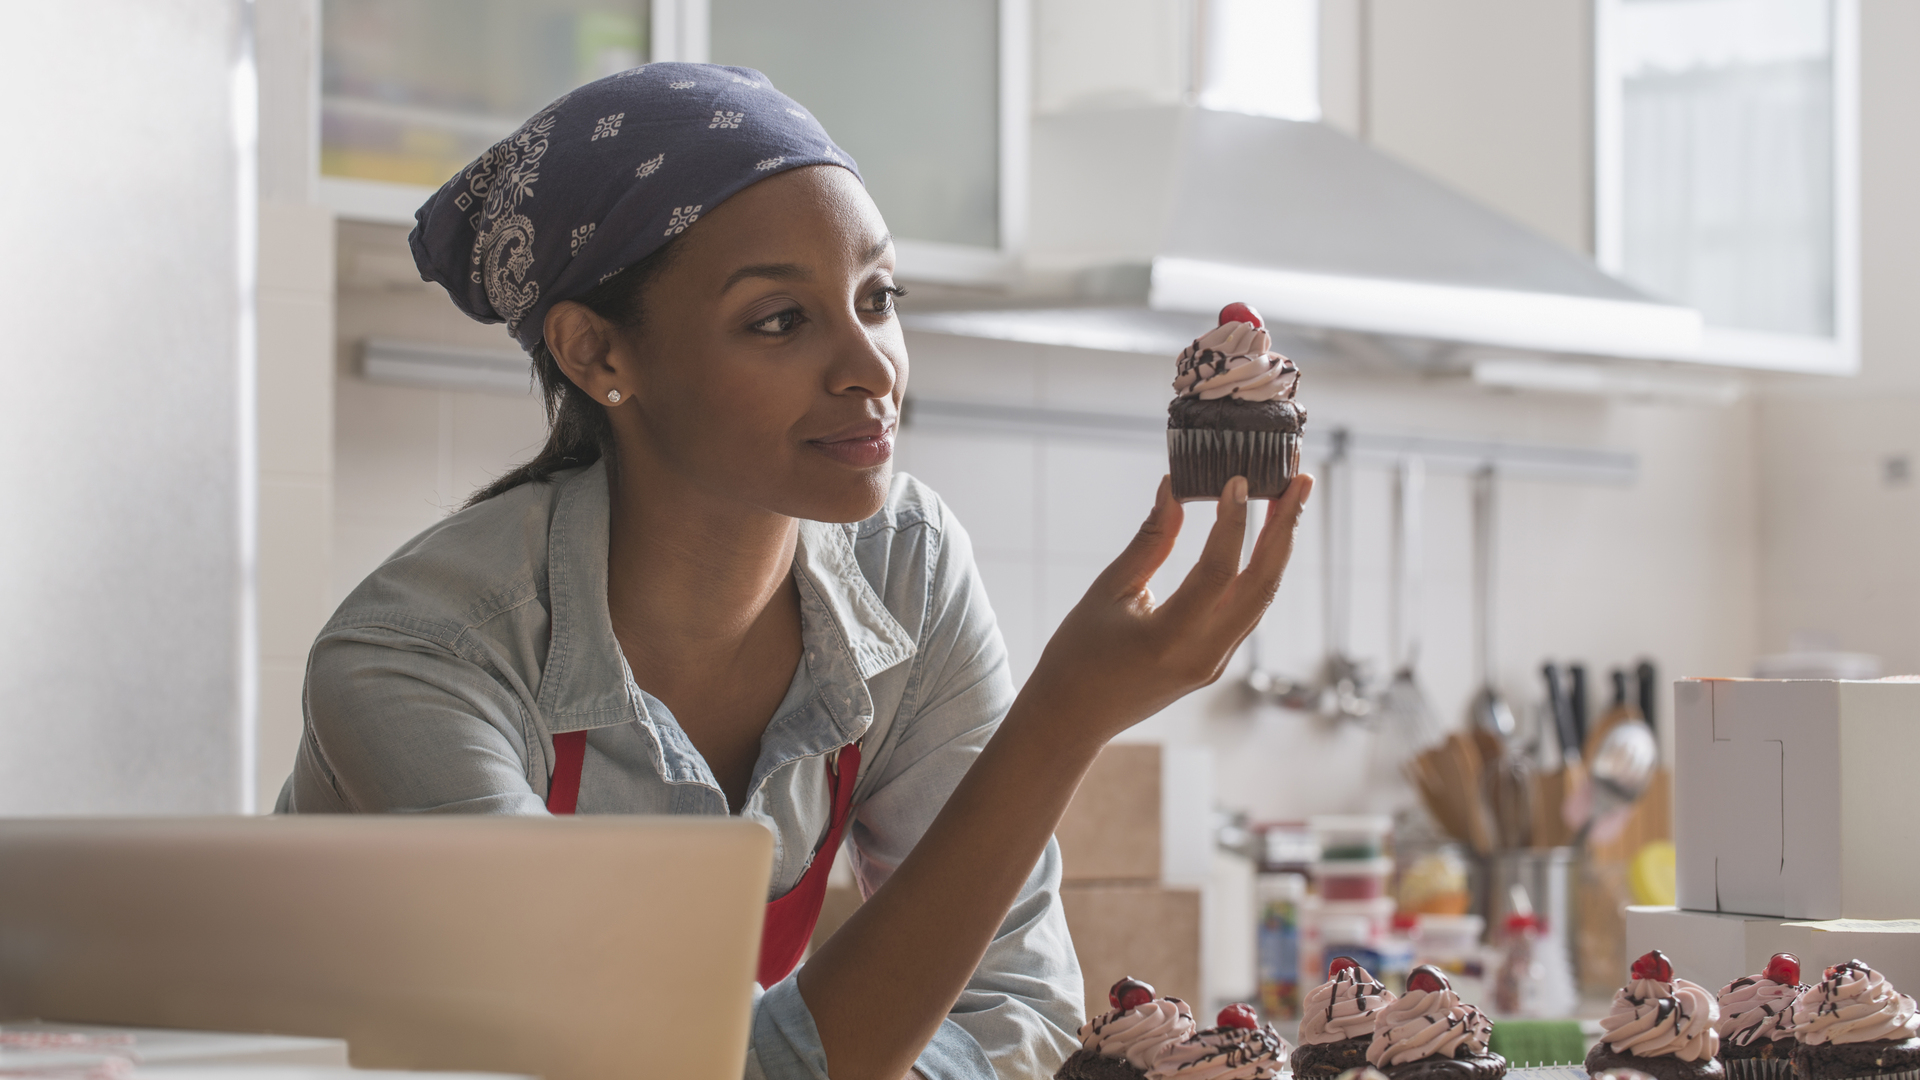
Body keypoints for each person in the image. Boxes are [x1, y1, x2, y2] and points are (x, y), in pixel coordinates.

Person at [277, 63, 1313, 1080]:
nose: (871, 368)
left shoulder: (905, 566)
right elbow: (624, 1066)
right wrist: (1063, 719)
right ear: (598, 354)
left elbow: (1017, 1010)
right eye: (780, 319)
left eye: (878, 296)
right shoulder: (422, 653)